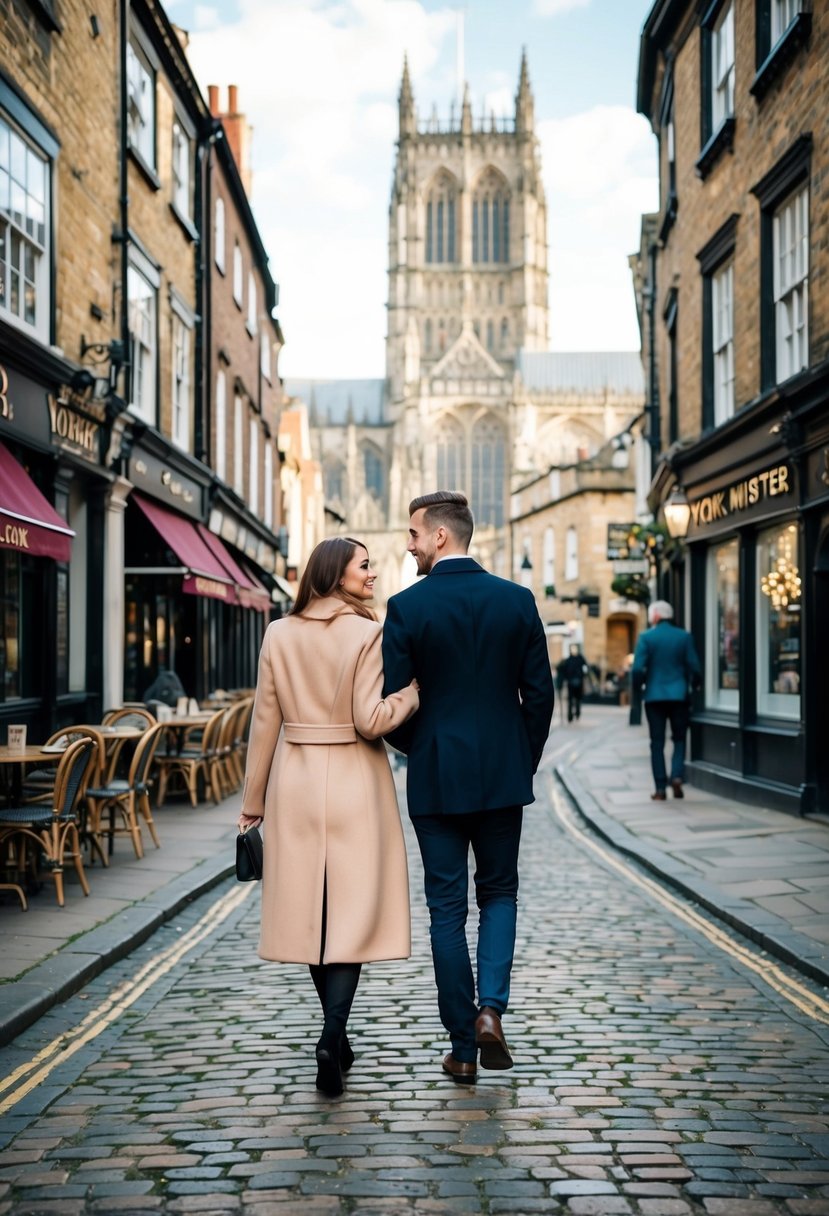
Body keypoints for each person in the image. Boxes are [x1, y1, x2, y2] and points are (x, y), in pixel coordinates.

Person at [382, 491, 555, 1085]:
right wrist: (520, 760)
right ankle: (490, 1011)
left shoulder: (406, 608)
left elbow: (396, 703)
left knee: (447, 910)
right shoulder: (517, 600)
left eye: (412, 534)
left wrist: (420, 750)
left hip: (435, 778)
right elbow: (540, 697)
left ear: (439, 537)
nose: (406, 545)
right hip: (504, 775)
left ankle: (462, 1046)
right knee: (500, 894)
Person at [238, 537, 419, 1098]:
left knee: (312, 916)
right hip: (353, 783)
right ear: (338, 573)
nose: (373, 573)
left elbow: (263, 726)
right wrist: (412, 695)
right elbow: (370, 720)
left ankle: (333, 1041)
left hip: (295, 781)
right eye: (365, 566)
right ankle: (331, 1035)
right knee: (349, 916)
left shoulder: (278, 633)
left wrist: (251, 807)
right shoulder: (369, 633)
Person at [631, 599, 701, 801]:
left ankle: (660, 788)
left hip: (654, 697)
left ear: (655, 616)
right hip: (679, 696)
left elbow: (637, 669)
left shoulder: (646, 637)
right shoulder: (684, 637)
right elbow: (694, 667)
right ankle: (677, 776)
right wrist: (694, 685)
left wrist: (640, 687)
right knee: (679, 739)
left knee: (657, 742)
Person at [556, 645, 590, 722]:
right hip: (574, 681)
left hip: (573, 681)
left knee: (573, 699)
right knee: (575, 699)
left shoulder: (571, 660)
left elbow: (563, 671)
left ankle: (572, 715)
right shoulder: (577, 659)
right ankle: (572, 715)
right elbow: (585, 669)